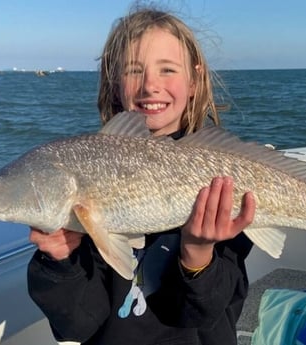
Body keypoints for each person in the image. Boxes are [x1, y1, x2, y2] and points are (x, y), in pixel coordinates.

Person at [27, 6, 255, 345]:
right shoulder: (85, 174)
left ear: (194, 80)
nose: (150, 85)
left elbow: (210, 312)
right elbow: (78, 326)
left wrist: (198, 254)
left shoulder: (225, 177)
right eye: (134, 71)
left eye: (167, 69)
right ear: (115, 82)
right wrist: (60, 261)